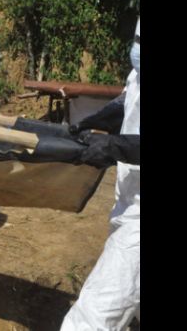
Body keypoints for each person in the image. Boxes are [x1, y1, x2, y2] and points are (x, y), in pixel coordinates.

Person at [61, 18, 140, 330]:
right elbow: (126, 103)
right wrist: (89, 122)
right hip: (130, 193)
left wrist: (113, 147)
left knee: (94, 315)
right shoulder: (138, 75)